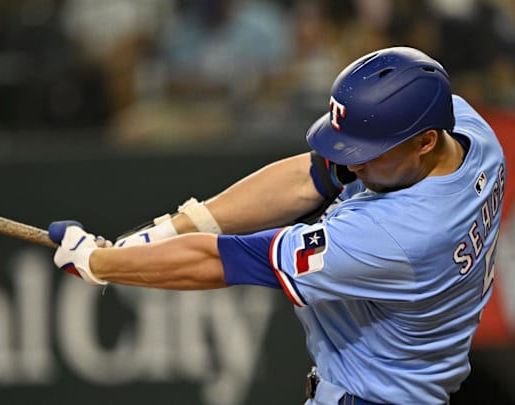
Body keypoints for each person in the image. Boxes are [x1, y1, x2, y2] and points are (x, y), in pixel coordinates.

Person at [48, 46, 506, 404]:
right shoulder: (468, 132)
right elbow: (312, 176)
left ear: (425, 141)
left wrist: (100, 262)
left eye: (368, 151)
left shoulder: (397, 236)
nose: (354, 162)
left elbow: (219, 260)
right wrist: (169, 230)